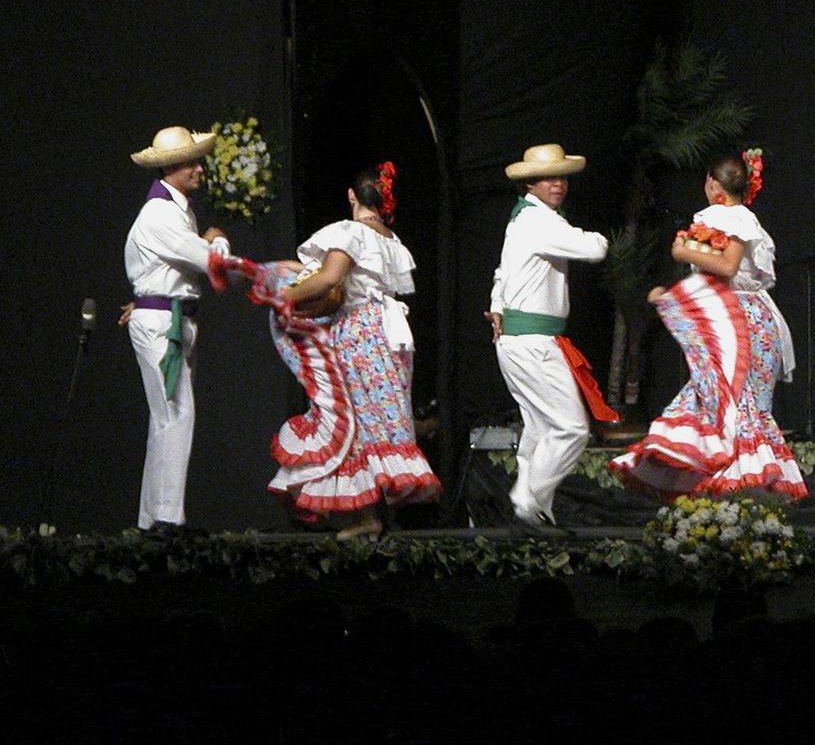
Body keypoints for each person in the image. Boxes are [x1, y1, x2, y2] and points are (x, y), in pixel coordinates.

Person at [215, 164, 440, 539]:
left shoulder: (350, 231)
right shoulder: (389, 238)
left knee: (353, 420)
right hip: (392, 335)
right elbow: (309, 269)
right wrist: (268, 272)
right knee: (373, 419)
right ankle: (374, 516)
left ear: (352, 197)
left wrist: (282, 295)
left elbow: (328, 277)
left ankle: (368, 517)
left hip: (362, 333)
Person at [611, 150, 806, 501]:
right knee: (737, 405)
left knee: (731, 405)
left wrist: (683, 253)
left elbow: (728, 267)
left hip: (735, 322)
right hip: (752, 318)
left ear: (712, 185)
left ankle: (736, 494)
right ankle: (738, 497)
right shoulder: (746, 218)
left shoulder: (724, 216)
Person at [487, 143, 619, 529]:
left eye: (561, 176)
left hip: (522, 341)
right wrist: (599, 238)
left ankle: (534, 508)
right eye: (548, 177)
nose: (557, 184)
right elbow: (593, 249)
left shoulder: (525, 220)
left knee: (541, 427)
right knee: (571, 427)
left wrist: (498, 303)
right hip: (531, 343)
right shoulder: (538, 222)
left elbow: (502, 273)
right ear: (530, 183)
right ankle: (528, 500)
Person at [122, 126, 232, 532]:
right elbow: (209, 261)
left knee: (165, 417)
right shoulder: (161, 213)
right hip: (162, 324)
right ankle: (168, 516)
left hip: (174, 318)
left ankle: (153, 517)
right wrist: (217, 241)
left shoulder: (177, 208)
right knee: (177, 414)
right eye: (191, 162)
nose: (199, 168)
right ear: (171, 167)